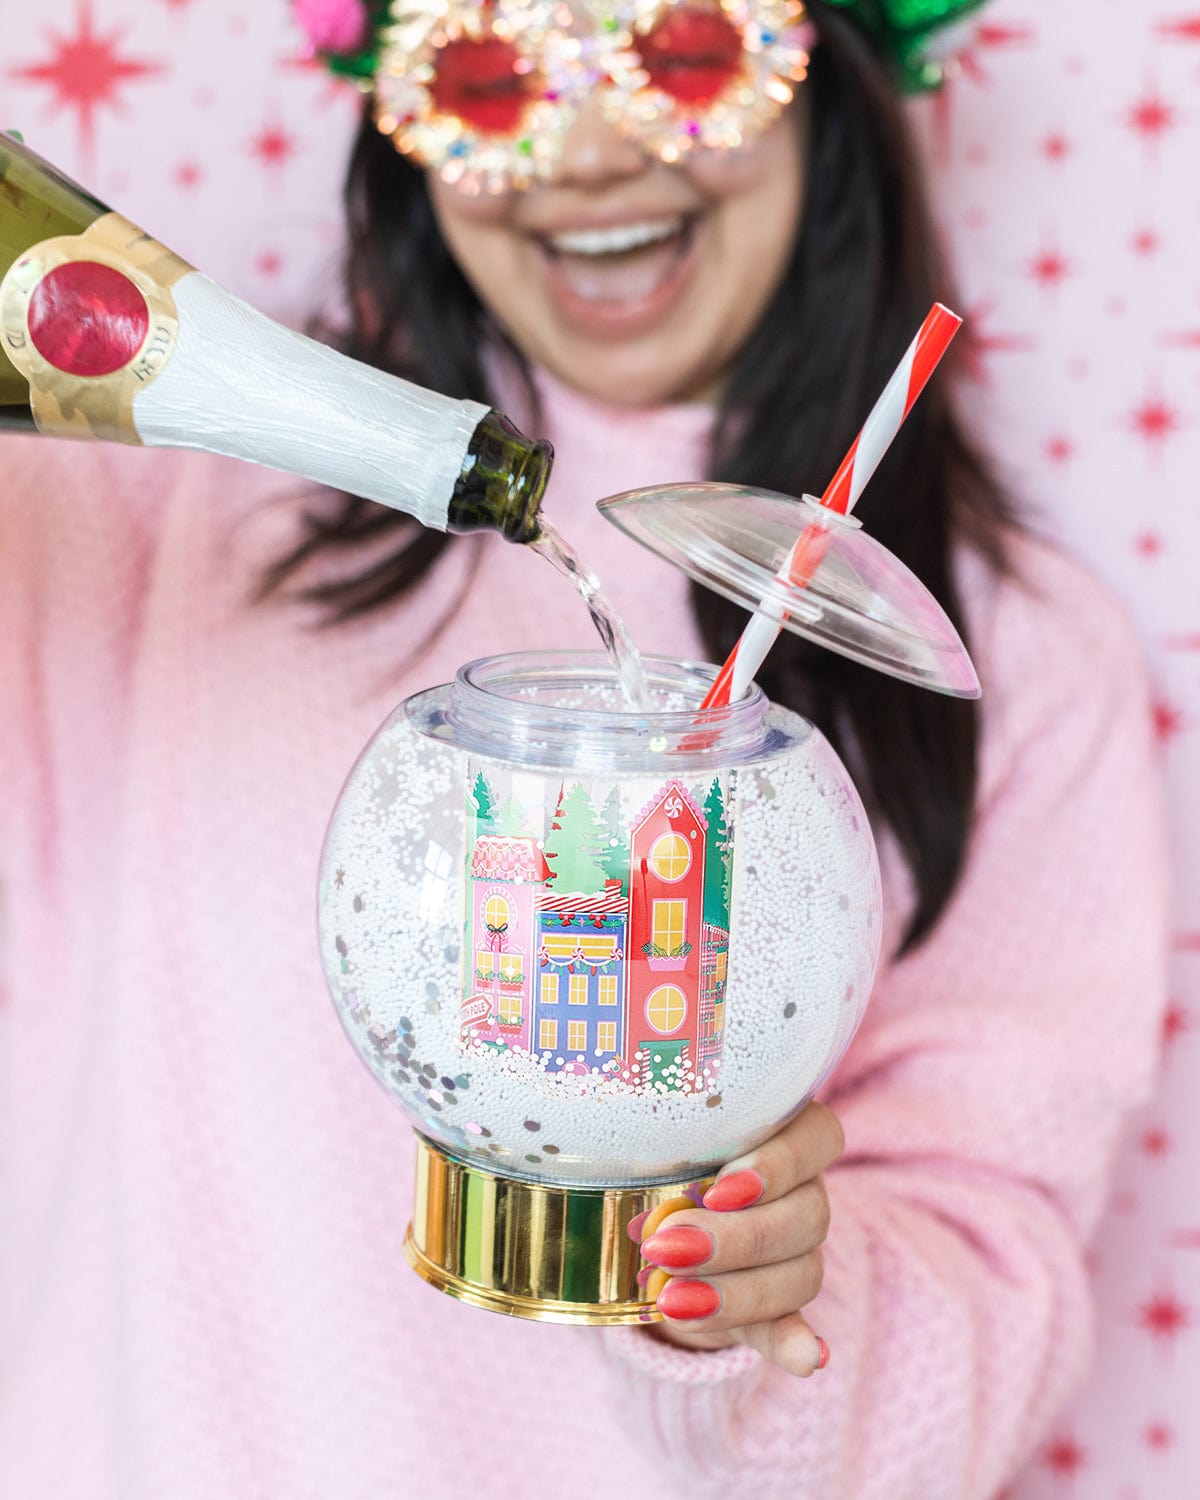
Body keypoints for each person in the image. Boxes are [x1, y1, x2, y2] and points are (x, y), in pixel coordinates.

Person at [0, 1, 1170, 1497]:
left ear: (835, 77)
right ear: (394, 112)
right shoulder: (160, 522)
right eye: (490, 74)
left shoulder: (1008, 656)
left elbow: (972, 1364)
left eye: (683, 51)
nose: (597, 152)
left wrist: (764, 1297)